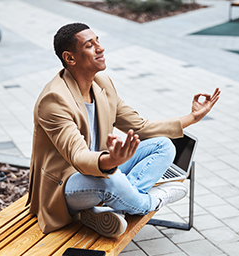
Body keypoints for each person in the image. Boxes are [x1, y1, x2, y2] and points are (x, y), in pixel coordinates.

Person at [27, 22, 220, 237]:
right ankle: (151, 201)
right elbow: (79, 157)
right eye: (90, 45)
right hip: (67, 183)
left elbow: (140, 127)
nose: (100, 48)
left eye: (98, 41)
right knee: (113, 182)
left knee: (164, 145)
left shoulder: (102, 83)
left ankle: (109, 208)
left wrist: (192, 118)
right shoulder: (54, 100)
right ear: (70, 58)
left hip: (103, 168)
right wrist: (110, 162)